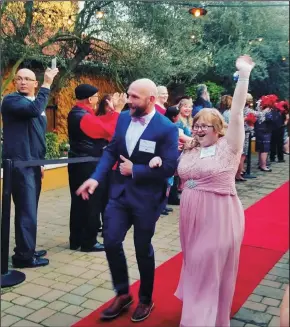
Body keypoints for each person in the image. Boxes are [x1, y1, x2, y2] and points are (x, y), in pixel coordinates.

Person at [76, 78, 179, 322]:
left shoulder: (166, 128)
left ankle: (145, 299)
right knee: (111, 242)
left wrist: (136, 170)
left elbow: (170, 167)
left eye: (134, 97)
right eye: (128, 95)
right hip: (119, 195)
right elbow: (111, 150)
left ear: (151, 100)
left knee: (143, 249)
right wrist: (96, 178)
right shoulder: (123, 118)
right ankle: (123, 294)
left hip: (146, 199)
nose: (128, 101)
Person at [175, 55, 255, 326]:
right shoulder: (191, 147)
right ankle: (201, 311)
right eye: (196, 125)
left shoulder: (229, 146)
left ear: (218, 129)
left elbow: (237, 112)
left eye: (204, 125)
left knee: (206, 262)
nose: (198, 129)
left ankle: (201, 320)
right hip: (190, 217)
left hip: (220, 215)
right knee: (196, 265)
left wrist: (243, 75)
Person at [2, 67, 59, 268]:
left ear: (34, 84)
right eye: (19, 79)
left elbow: (38, 138)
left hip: (33, 164)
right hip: (20, 165)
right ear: (15, 83)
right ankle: (24, 257)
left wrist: (41, 162)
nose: (23, 82)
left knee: (30, 210)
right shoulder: (11, 101)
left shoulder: (36, 104)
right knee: (26, 210)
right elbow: (33, 111)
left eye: (28, 79)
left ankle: (28, 248)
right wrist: (47, 83)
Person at [67, 85, 126, 252]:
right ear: (90, 99)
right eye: (96, 96)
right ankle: (88, 242)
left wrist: (112, 112)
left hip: (80, 163)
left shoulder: (79, 113)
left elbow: (100, 123)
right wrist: (118, 111)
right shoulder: (82, 116)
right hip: (88, 165)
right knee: (91, 203)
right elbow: (107, 130)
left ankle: (76, 239)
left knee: (79, 203)